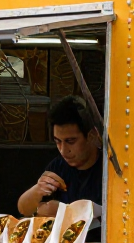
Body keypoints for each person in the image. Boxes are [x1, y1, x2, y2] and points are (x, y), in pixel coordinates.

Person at [16, 96, 104, 226]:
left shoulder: (107, 169)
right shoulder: (58, 166)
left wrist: (65, 212)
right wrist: (38, 190)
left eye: (70, 141)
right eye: (58, 141)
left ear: (91, 135)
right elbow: (23, 209)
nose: (63, 150)